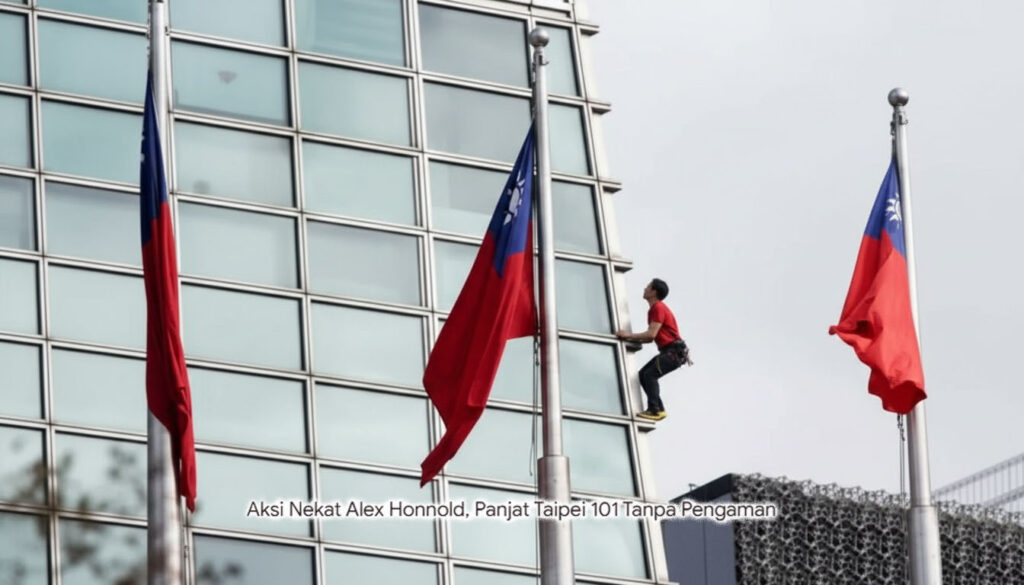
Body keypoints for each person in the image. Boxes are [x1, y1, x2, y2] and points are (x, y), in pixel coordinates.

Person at [616, 278, 692, 421]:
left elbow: (650, 336)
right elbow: (650, 337)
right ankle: (658, 408)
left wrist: (628, 336)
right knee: (643, 374)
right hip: (671, 352)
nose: (645, 288)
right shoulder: (655, 309)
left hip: (673, 352)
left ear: (653, 292)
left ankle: (654, 409)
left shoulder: (658, 308)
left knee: (649, 375)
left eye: (648, 287)